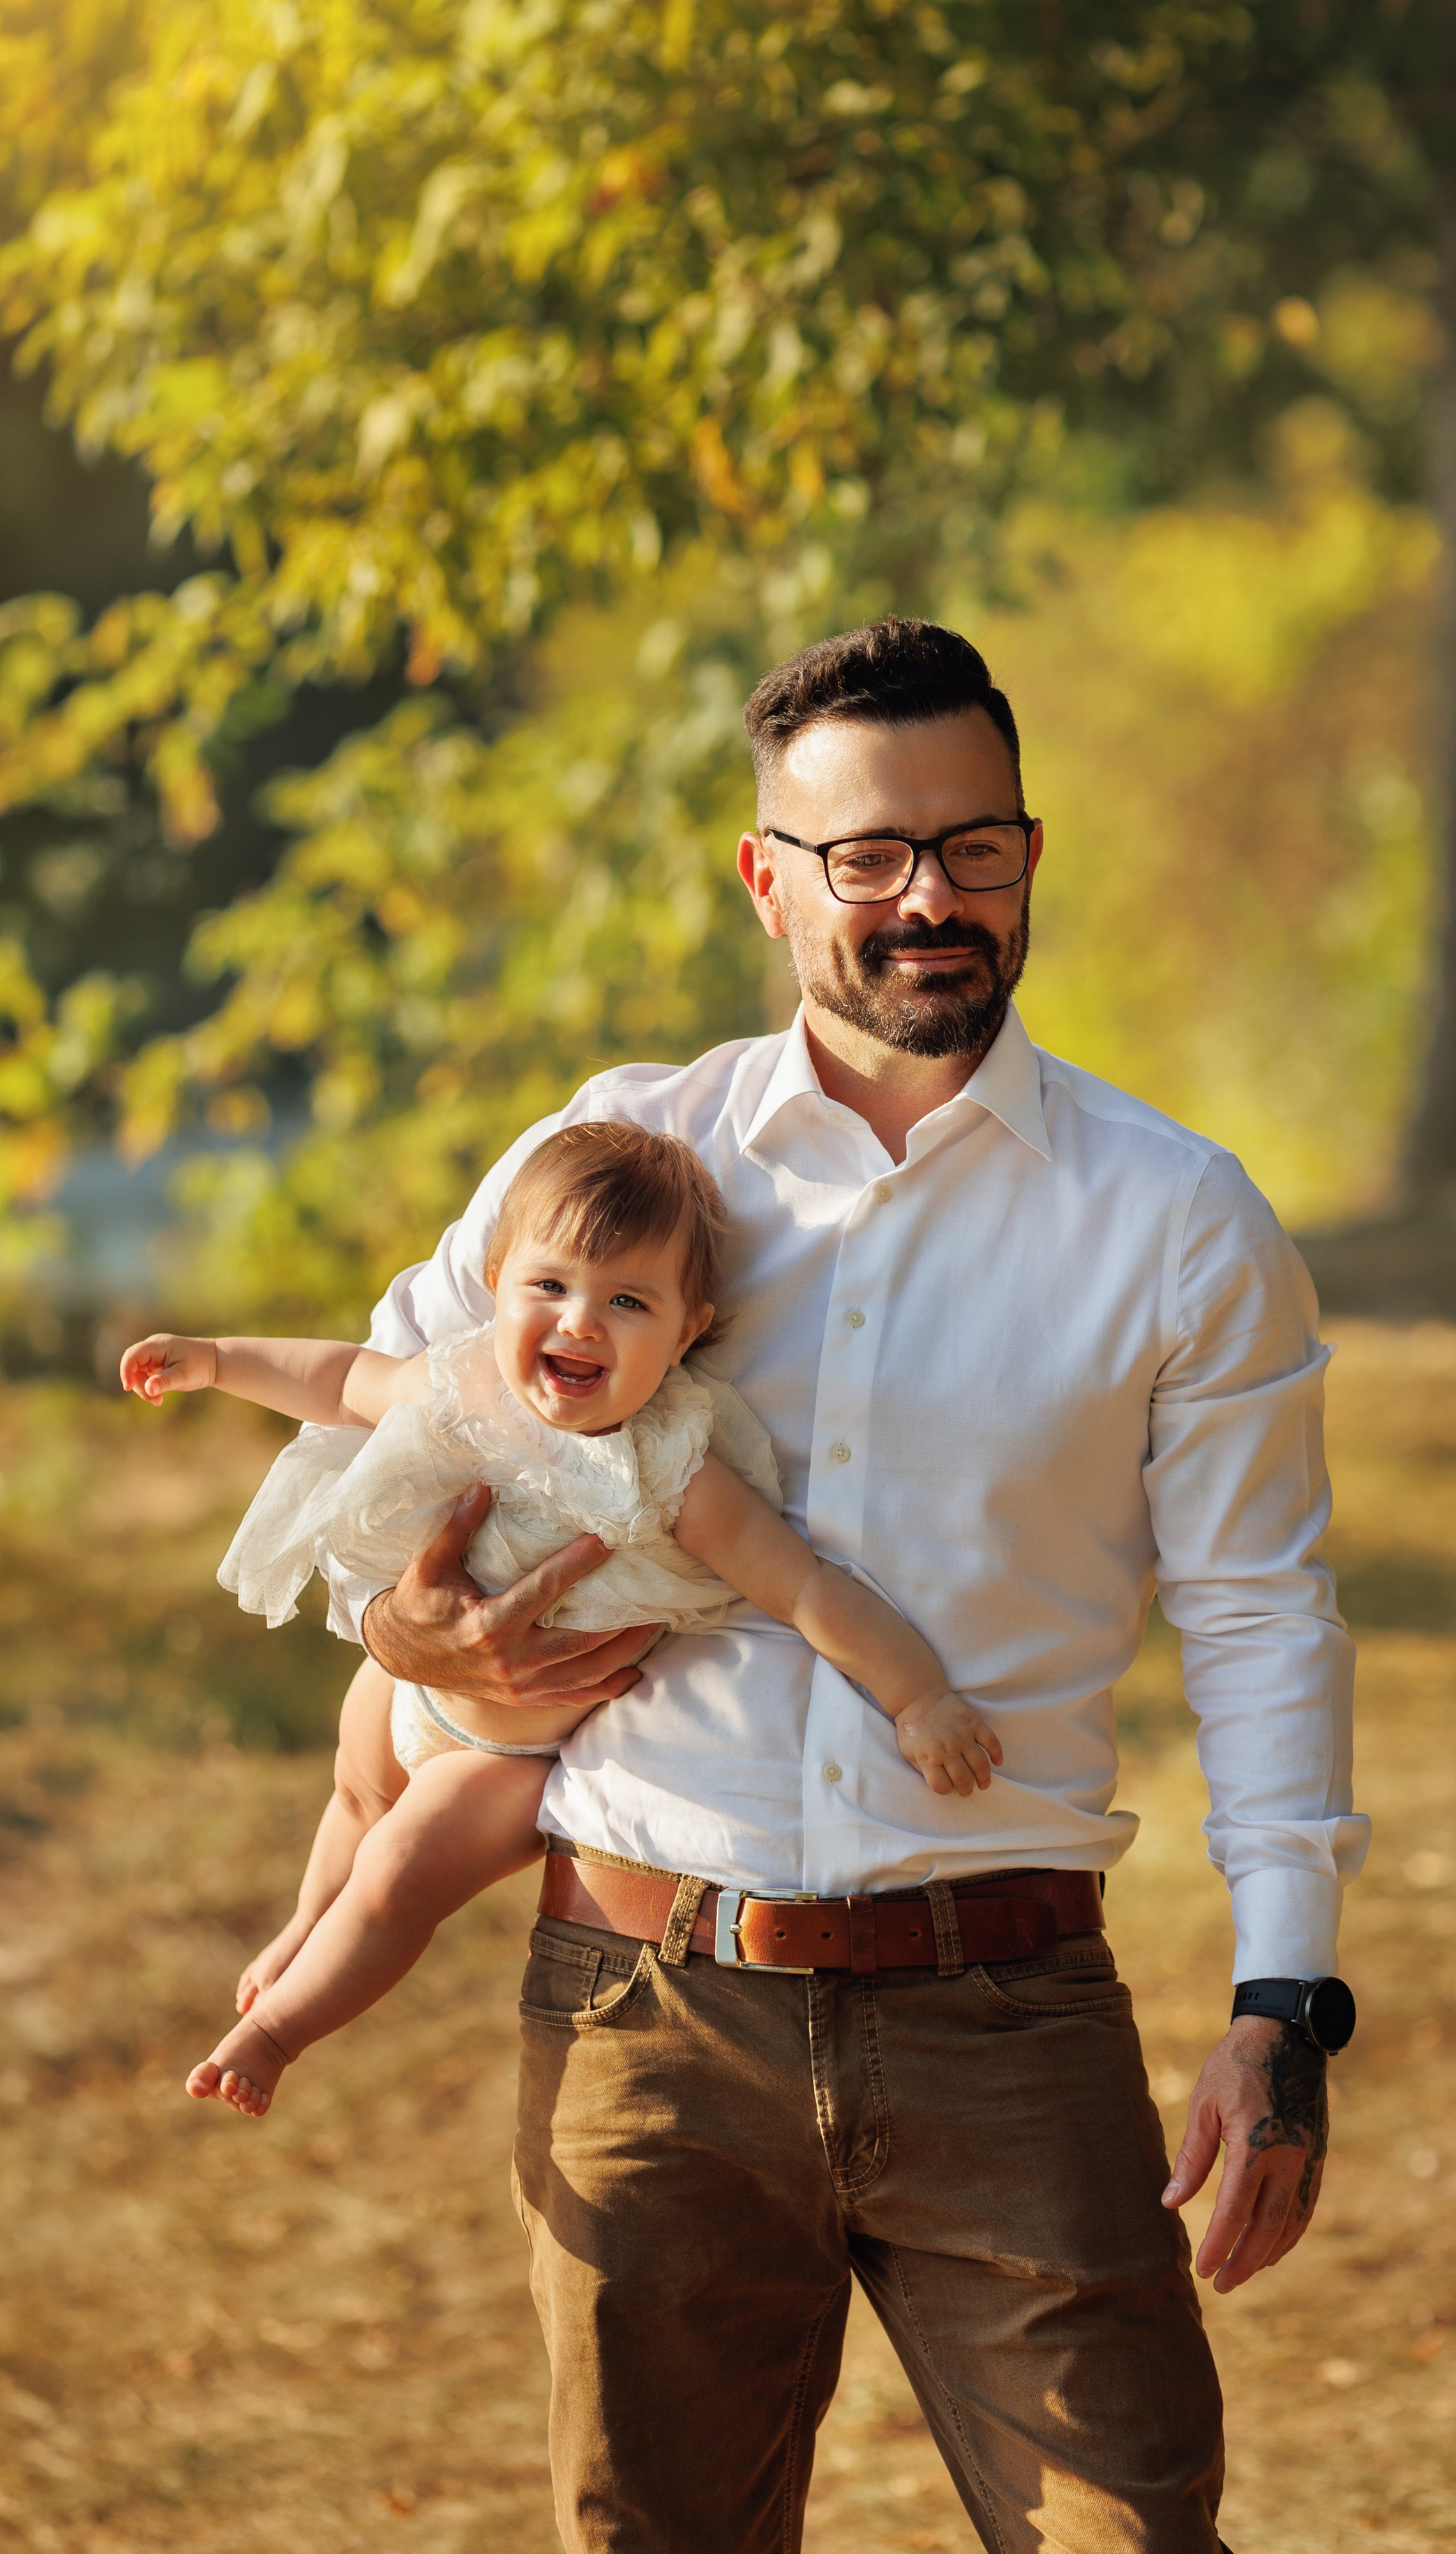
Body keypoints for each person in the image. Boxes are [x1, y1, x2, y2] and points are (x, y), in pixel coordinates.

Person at [334, 619, 1368, 2554]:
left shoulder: (1175, 1220)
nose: (927, 902)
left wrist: (1280, 2006)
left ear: (1029, 859)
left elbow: (1258, 1615)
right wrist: (406, 1636)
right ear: (766, 878)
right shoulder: (618, 1161)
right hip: (646, 2012)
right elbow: (387, 1431)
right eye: (867, 857)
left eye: (972, 849)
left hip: (1009, 2012)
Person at [120, 1120, 1001, 2117]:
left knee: (399, 1870)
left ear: (687, 1331)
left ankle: (277, 2034)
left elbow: (804, 1589)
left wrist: (919, 1698)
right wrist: (216, 1359)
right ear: (496, 1282)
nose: (580, 1323)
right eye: (550, 1286)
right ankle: (299, 1931)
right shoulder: (458, 1381)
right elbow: (336, 1380)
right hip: (406, 1683)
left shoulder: (675, 1468)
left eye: (628, 1302)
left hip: (500, 1759)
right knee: (356, 1803)